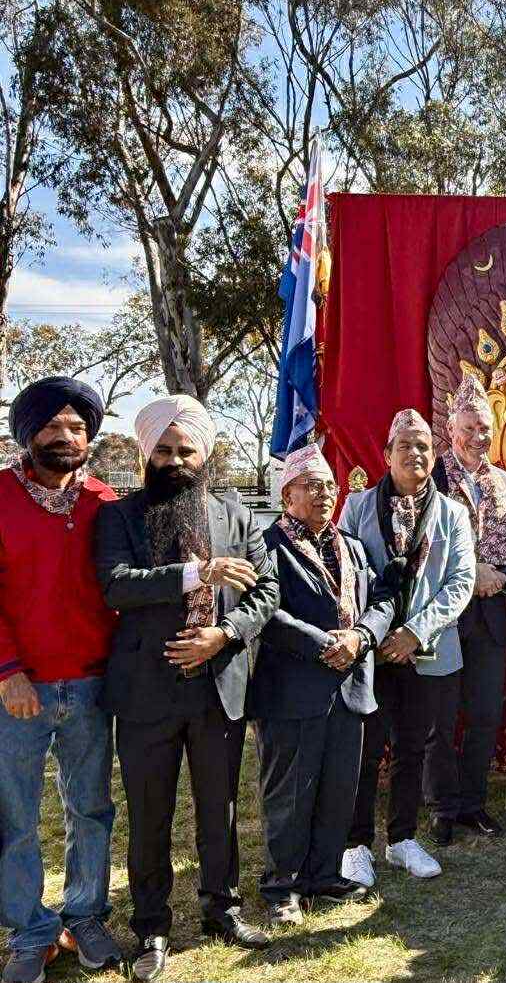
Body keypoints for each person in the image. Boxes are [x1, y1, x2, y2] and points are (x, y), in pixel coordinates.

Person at [94, 395, 279, 982]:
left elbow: (266, 591)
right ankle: (151, 927)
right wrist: (198, 572)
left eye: (186, 450)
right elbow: (117, 585)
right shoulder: (120, 516)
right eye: (164, 450)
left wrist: (223, 634)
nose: (175, 461)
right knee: (150, 814)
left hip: (216, 688)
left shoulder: (236, 516)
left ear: (206, 455)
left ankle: (222, 909)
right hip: (147, 692)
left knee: (219, 809)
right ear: (147, 453)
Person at [0, 378, 123, 983]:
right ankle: (30, 931)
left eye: (77, 427)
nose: (67, 437)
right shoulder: (0, 495)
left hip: (93, 685)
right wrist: (8, 672)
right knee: (14, 815)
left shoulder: (104, 500)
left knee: (91, 807)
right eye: (53, 426)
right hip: (19, 688)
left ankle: (85, 916)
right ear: (29, 433)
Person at [251, 445, 395, 926]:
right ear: (287, 495)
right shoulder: (267, 545)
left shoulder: (350, 545)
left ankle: (324, 875)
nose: (324, 494)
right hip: (293, 689)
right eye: (311, 486)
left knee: (338, 787)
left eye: (329, 486)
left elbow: (382, 600)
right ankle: (283, 886)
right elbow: (266, 612)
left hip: (350, 687)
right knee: (290, 792)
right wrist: (324, 644)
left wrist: (361, 637)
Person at [339, 409, 475, 884]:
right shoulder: (357, 507)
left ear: (433, 456)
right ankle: (355, 844)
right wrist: (372, 634)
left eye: (423, 446)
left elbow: (461, 582)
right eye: (405, 445)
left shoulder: (453, 513)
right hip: (372, 652)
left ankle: (401, 840)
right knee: (365, 748)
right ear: (387, 454)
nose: (414, 453)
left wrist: (415, 631)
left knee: (413, 746)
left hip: (426, 650)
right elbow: (346, 575)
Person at [423, 375, 506, 843]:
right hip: (444, 618)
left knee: (484, 715)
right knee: (441, 720)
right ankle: (442, 807)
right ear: (450, 429)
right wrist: (473, 572)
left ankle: (473, 803)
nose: (477, 437)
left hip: (491, 617)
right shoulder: (431, 479)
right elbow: (420, 546)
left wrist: (502, 577)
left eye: (484, 429)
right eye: (469, 428)